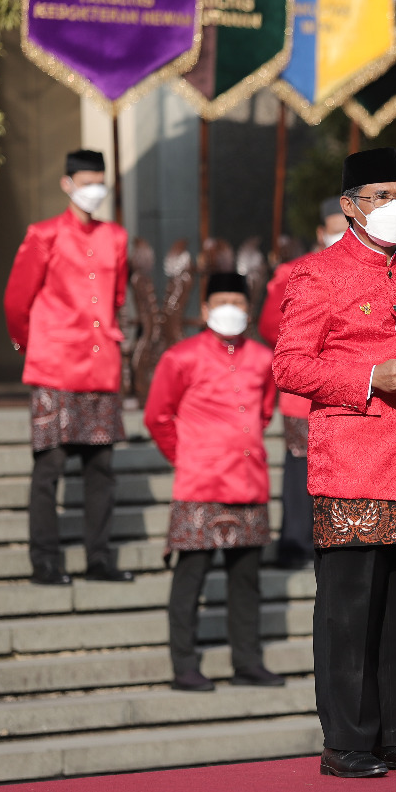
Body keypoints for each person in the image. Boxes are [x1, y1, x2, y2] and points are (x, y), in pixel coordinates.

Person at [273, 148, 396, 778]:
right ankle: (347, 744)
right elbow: (289, 365)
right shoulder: (315, 275)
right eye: (382, 196)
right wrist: (367, 376)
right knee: (349, 612)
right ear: (350, 206)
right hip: (355, 460)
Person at [144, 271, 286, 691]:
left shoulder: (263, 359)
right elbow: (157, 416)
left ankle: (247, 661)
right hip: (200, 484)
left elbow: (263, 413)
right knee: (190, 577)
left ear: (250, 309)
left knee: (247, 580)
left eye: (239, 303)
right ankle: (183, 665)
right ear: (204, 309)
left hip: (248, 480)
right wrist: (184, 456)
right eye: (222, 302)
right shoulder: (180, 357)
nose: (231, 310)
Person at [3, 150, 133, 585]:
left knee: (101, 469)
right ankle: (45, 562)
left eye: (100, 180)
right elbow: (16, 300)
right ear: (67, 184)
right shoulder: (43, 234)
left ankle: (98, 559)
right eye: (86, 180)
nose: (94, 188)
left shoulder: (116, 236)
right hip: (54, 366)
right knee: (50, 468)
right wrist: (30, 343)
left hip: (101, 366)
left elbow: (116, 296)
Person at [257, 196, 346, 570]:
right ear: (320, 232)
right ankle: (294, 542)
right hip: (304, 394)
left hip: (349, 390)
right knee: (300, 468)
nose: (342, 236)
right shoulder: (295, 271)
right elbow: (269, 326)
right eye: (335, 229)